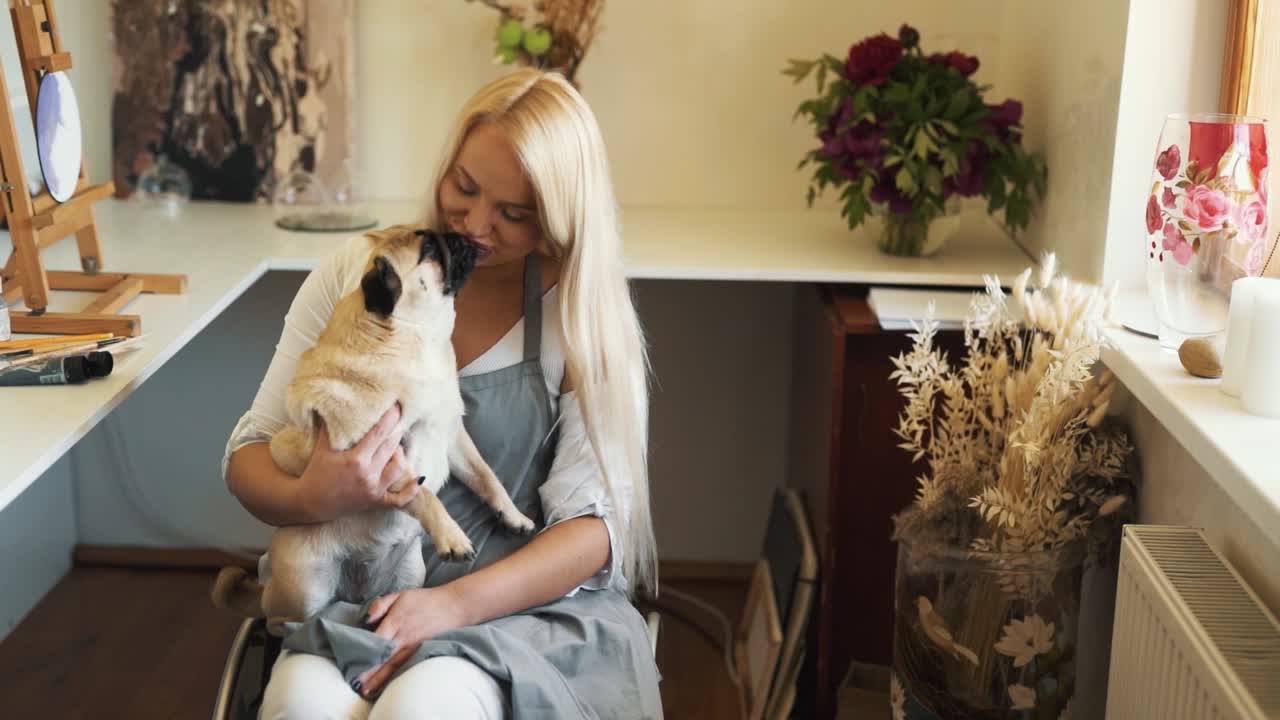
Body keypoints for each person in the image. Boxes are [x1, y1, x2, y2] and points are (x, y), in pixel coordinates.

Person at [221, 68, 662, 719]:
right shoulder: (359, 271)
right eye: (465, 186)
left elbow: (595, 532)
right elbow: (249, 454)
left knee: (424, 707)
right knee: (299, 705)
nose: (477, 225)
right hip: (356, 597)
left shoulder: (580, 318)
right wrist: (309, 495)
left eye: (514, 213)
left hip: (513, 611)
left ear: (560, 218)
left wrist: (449, 605)